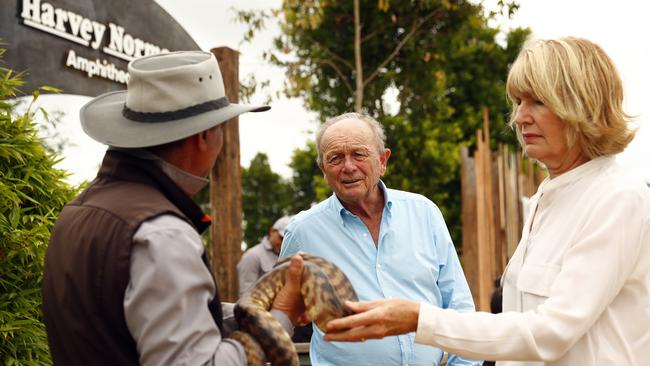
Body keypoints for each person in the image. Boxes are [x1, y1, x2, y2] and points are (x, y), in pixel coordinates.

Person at [324, 37, 650, 365]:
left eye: (537, 101)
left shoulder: (617, 198)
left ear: (582, 105)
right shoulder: (546, 198)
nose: (520, 117)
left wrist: (418, 319)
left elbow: (551, 333)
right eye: (518, 101)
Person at [42, 51, 307, 366]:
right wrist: (281, 317)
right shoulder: (163, 232)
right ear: (204, 136)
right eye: (222, 127)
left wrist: (247, 313)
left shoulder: (79, 211)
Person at [279, 112, 481, 365]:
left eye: (359, 154)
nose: (348, 166)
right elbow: (280, 316)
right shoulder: (303, 231)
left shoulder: (424, 213)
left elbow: (459, 305)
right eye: (335, 158)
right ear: (323, 169)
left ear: (383, 160)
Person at [237, 215, 291, 297]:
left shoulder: (289, 257)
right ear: (272, 231)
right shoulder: (252, 256)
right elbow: (245, 296)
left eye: (287, 240)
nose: (283, 243)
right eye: (281, 238)